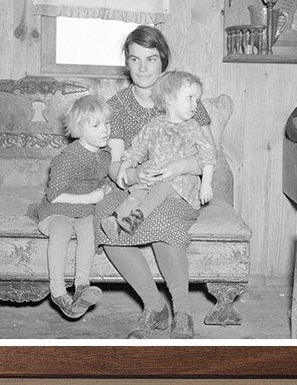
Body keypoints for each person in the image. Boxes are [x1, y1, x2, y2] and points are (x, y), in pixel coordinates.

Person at [94, 26, 215, 340]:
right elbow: (116, 164)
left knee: (163, 219)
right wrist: (134, 175)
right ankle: (154, 306)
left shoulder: (186, 96)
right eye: (135, 59)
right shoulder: (119, 105)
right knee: (104, 220)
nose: (143, 67)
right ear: (127, 63)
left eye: (151, 59)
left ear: (163, 61)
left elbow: (208, 156)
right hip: (137, 187)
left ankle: (182, 313)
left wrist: (178, 167)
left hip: (179, 189)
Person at [100, 70, 215, 238]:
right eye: (190, 98)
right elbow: (137, 149)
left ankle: (136, 219)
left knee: (162, 188)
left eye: (197, 100)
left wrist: (206, 184)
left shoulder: (193, 128)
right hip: (154, 176)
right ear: (169, 99)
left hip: (181, 182)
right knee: (139, 192)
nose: (195, 105)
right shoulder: (153, 125)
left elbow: (208, 156)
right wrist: (125, 167)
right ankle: (115, 220)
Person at [33, 94, 114, 319]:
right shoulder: (67, 158)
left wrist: (105, 189)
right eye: (96, 125)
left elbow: (99, 180)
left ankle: (81, 287)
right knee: (61, 231)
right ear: (78, 130)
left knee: (89, 232)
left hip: (83, 211)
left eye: (107, 123)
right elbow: (54, 196)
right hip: (57, 210)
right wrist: (91, 197)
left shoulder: (104, 155)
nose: (104, 130)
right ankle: (58, 291)